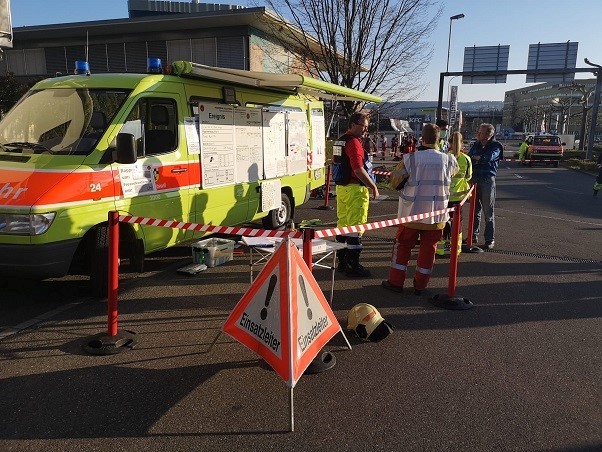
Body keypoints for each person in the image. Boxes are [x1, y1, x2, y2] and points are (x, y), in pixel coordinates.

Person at [382, 123, 459, 295]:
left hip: (411, 214)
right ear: (438, 139)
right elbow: (453, 174)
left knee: (403, 247)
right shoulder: (449, 160)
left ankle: (396, 282)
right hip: (436, 216)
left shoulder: (410, 159)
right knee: (428, 250)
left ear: (422, 138)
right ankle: (420, 285)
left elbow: (394, 182)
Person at [333, 112, 379, 277]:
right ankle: (353, 265)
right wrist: (373, 186)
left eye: (366, 126)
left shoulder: (340, 140)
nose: (365, 129)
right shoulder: (353, 143)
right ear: (352, 125)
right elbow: (358, 169)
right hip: (355, 190)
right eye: (363, 126)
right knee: (356, 228)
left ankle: (342, 262)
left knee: (343, 225)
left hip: (342, 188)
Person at [468, 123, 503, 250]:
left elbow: (488, 157)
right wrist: (477, 158)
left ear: (489, 134)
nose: (478, 134)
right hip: (474, 180)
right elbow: (469, 158)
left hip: (487, 180)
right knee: (474, 211)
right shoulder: (476, 145)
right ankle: (472, 236)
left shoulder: (496, 146)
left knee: (488, 212)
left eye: (481, 132)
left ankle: (489, 239)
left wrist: (478, 158)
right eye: (478, 131)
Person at [436, 131, 472, 255]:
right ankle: (456, 248)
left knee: (443, 222)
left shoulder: (444, 157)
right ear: (462, 143)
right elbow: (468, 176)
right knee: (457, 223)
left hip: (445, 196)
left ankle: (441, 249)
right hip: (459, 197)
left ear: (449, 142)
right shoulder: (466, 159)